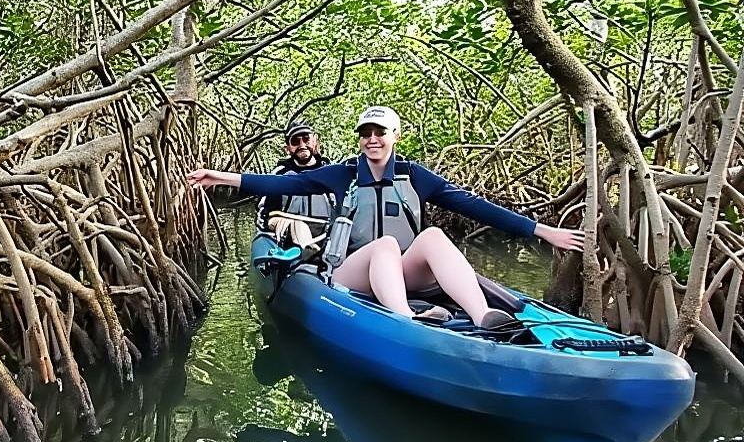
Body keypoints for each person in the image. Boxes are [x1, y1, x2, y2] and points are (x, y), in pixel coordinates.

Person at [189, 105, 585, 328]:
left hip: (401, 271)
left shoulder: (414, 176)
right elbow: (276, 186)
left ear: (395, 136)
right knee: (385, 245)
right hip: (351, 273)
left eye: (380, 132)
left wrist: (540, 230)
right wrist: (219, 176)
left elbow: (474, 206)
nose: (372, 139)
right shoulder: (342, 174)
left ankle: (483, 314)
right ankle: (405, 320)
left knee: (431, 237)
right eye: (365, 133)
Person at [255, 120, 332, 249]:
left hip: (326, 239)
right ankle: (306, 250)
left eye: (306, 139)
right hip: (288, 243)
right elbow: (263, 216)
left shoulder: (332, 174)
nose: (302, 145)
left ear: (315, 141)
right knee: (297, 225)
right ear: (288, 148)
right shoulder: (279, 176)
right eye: (295, 141)